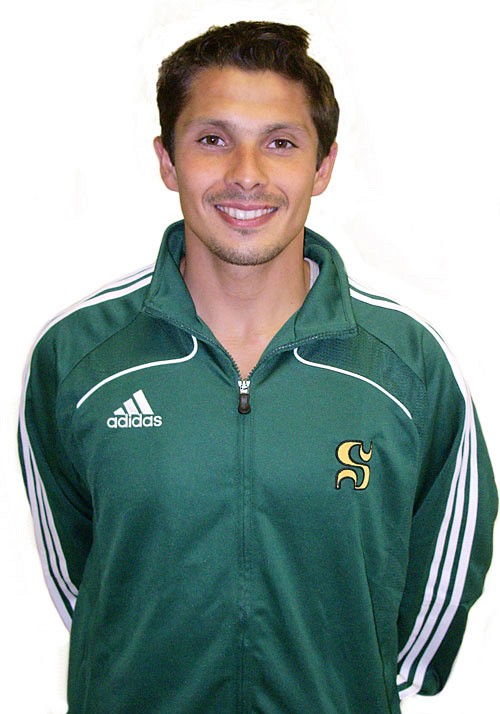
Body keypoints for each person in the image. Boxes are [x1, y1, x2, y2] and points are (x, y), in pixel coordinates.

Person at [18, 20, 497, 714]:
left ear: (322, 167)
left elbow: (440, 576)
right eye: (213, 139)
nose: (246, 174)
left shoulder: (407, 367)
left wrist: (350, 682)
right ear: (167, 161)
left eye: (281, 143)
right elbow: (83, 577)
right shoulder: (79, 358)